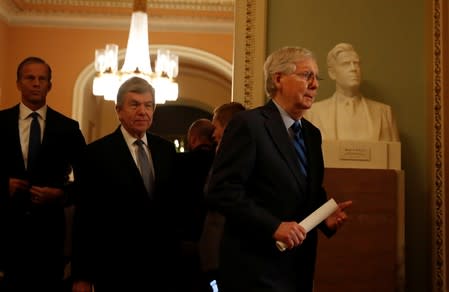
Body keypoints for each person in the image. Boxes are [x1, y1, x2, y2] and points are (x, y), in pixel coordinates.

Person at [205, 46, 353, 292]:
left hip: (298, 271)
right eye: (307, 75)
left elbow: (308, 191)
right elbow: (221, 191)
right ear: (278, 79)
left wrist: (324, 218)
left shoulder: (312, 134)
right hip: (254, 270)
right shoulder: (248, 125)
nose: (315, 85)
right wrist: (273, 226)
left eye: (317, 77)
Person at [71, 77, 179, 292]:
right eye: (134, 104)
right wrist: (82, 276)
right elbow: (85, 217)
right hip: (115, 268)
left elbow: (173, 208)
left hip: (161, 268)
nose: (142, 111)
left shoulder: (166, 150)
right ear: (118, 110)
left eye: (148, 105)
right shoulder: (96, 153)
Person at [0, 56, 87, 292]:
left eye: (42, 78)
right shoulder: (0, 123)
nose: (36, 83)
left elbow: (89, 180)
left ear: (50, 84)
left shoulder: (68, 127)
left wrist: (61, 195)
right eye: (30, 78)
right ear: (18, 83)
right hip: (6, 232)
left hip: (49, 237)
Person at [304, 42, 400, 141]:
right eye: (346, 64)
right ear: (332, 73)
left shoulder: (384, 114)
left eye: (356, 63)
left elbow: (394, 155)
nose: (353, 69)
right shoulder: (313, 114)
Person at [198, 101, 246, 291]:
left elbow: (213, 194)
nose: (213, 134)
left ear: (228, 128)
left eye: (216, 126)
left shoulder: (235, 157)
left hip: (224, 255)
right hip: (217, 256)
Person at [174, 118, 216, 292]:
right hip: (213, 245)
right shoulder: (221, 163)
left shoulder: (179, 164)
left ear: (192, 139)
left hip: (184, 242)